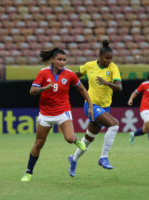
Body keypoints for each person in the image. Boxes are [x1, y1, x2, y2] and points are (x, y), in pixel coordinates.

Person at [21, 47, 94, 182]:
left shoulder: (69, 74)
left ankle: (76, 141)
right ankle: (28, 172)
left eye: (64, 60)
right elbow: (32, 91)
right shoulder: (43, 73)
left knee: (70, 138)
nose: (62, 62)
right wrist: (44, 88)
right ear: (53, 60)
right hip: (46, 113)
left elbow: (82, 90)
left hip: (62, 111)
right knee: (38, 144)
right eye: (59, 59)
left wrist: (90, 106)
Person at [68, 40, 122, 177]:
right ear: (99, 56)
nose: (109, 60)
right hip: (91, 105)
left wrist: (107, 83)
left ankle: (73, 159)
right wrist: (61, 80)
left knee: (88, 138)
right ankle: (103, 157)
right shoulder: (89, 65)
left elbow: (119, 88)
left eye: (111, 58)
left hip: (105, 108)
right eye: (106, 58)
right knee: (115, 125)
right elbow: (75, 77)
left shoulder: (113, 68)